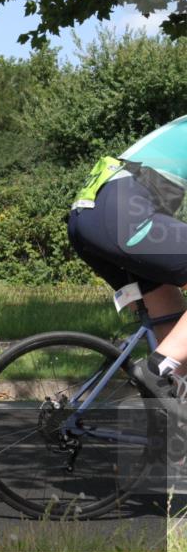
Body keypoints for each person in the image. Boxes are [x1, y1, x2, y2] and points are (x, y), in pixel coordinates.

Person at [68, 115, 187, 399]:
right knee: (166, 364)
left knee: (169, 309)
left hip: (90, 216)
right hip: (122, 212)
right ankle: (157, 370)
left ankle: (168, 428)